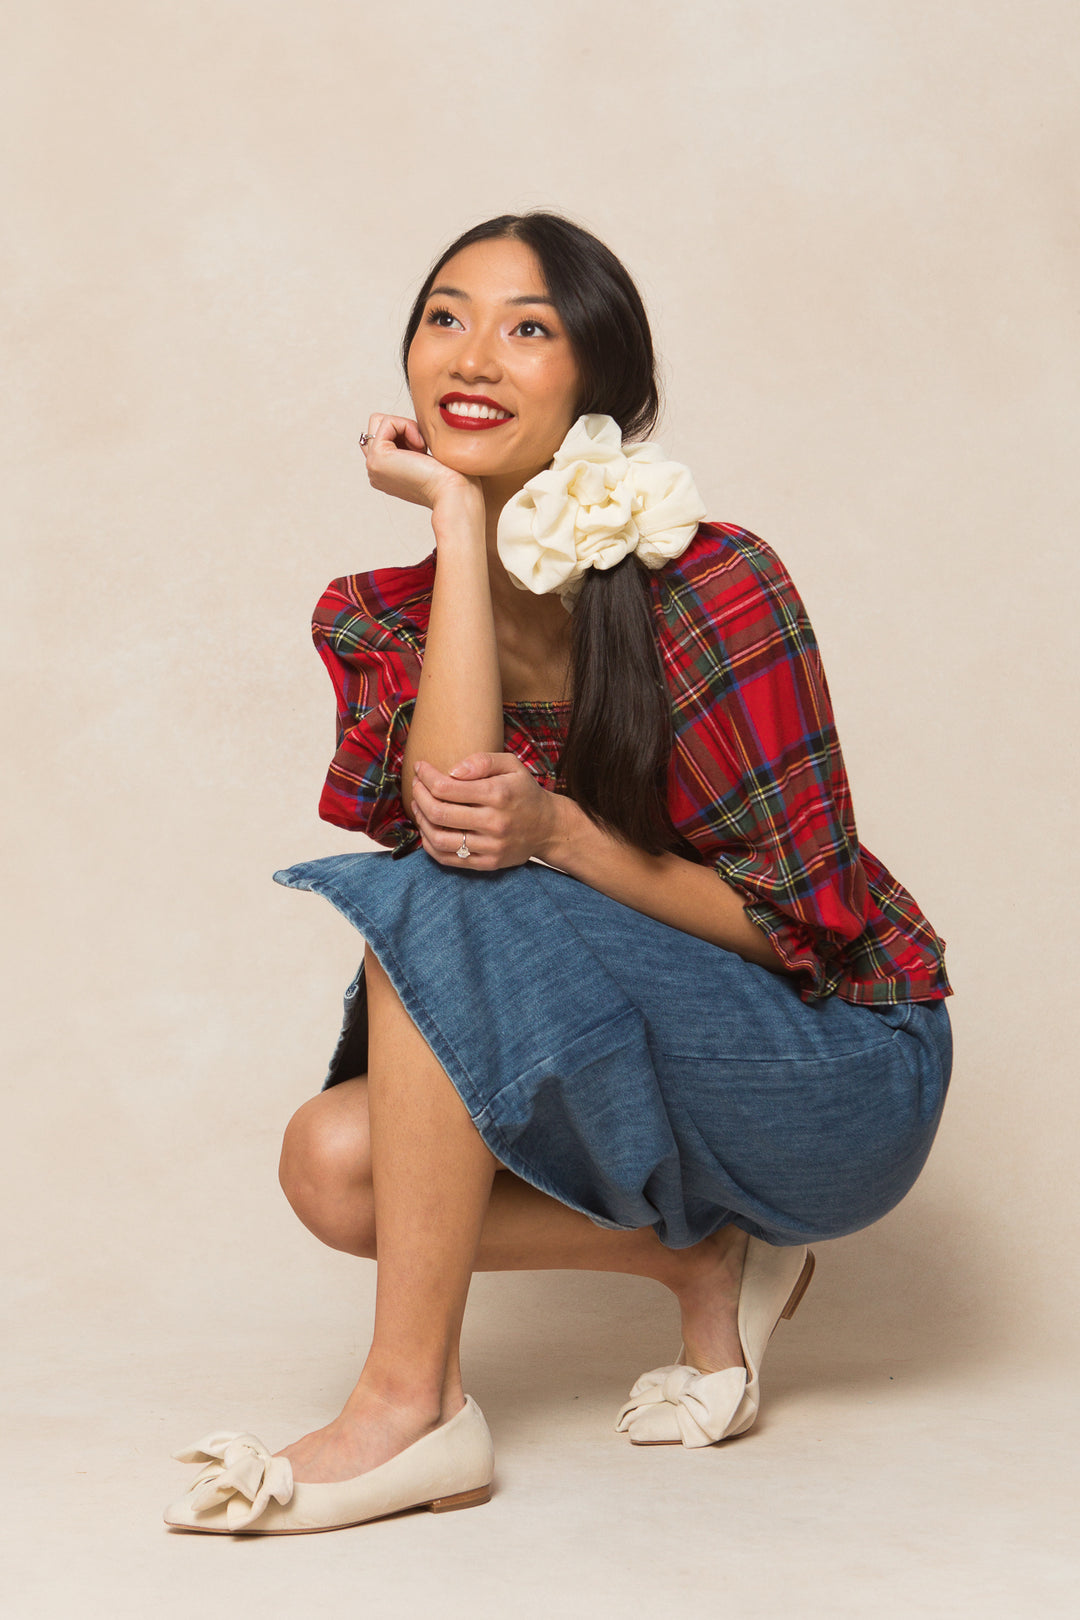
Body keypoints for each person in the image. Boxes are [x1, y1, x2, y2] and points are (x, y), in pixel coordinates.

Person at [164, 212, 952, 1534]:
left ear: (601, 385)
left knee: (441, 885)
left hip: (839, 1073)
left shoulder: (718, 581)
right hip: (651, 1064)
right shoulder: (379, 615)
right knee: (334, 1166)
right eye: (446, 317)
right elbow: (456, 808)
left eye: (528, 328)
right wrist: (460, 528)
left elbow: (807, 929)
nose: (474, 354)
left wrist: (569, 837)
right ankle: (701, 1261)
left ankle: (411, 1408)